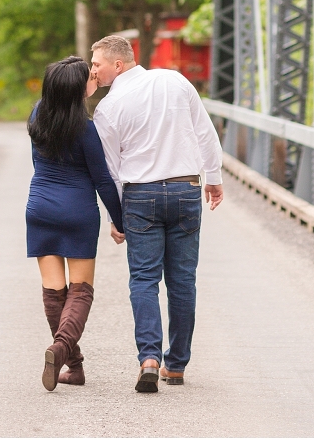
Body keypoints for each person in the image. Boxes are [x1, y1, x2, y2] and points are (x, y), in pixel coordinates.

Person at [89, 34, 223, 393]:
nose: (93, 71)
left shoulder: (107, 108)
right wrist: (214, 178)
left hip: (141, 195)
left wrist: (115, 217)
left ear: (117, 64)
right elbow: (205, 133)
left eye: (97, 64)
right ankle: (176, 365)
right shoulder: (174, 80)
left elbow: (111, 170)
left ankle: (149, 359)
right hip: (185, 189)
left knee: (144, 280)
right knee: (182, 280)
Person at [26, 56, 124, 391]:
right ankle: (60, 349)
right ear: (77, 90)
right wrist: (119, 219)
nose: (93, 77)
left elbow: (37, 161)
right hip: (78, 212)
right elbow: (103, 181)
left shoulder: (37, 114)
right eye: (88, 76)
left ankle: (74, 366)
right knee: (80, 292)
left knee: (54, 292)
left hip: (40, 208)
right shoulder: (86, 129)